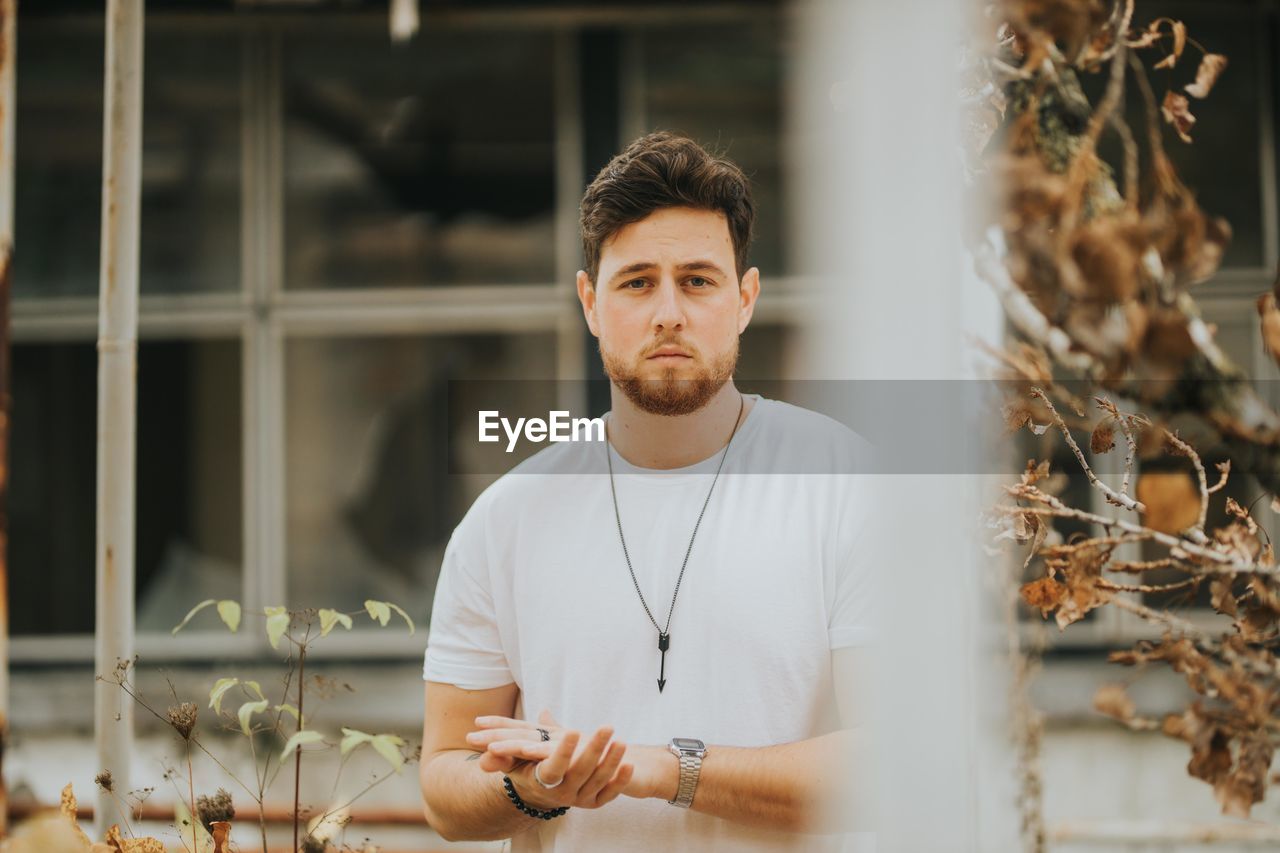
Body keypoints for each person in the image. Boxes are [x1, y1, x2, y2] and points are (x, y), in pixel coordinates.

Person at [418, 131, 875, 852]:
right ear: (590, 302)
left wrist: (664, 768)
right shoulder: (507, 517)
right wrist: (526, 790)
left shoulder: (845, 484)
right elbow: (445, 784)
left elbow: (893, 761)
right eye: (637, 282)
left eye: (697, 280)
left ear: (745, 298)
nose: (669, 312)